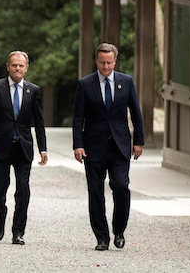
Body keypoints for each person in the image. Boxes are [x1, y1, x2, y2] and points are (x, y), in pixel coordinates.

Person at [73, 42, 144, 251]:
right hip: (93, 146)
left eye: (109, 62)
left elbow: (136, 112)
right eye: (102, 62)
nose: (106, 67)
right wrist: (78, 145)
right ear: (96, 61)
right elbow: (78, 118)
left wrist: (138, 141)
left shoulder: (126, 81)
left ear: (115, 61)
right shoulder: (85, 84)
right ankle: (101, 237)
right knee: (95, 192)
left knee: (121, 187)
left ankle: (119, 230)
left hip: (120, 145)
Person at [0, 50, 47, 245]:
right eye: (14, 65)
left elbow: (39, 122)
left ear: (26, 68)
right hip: (0, 146)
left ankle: (18, 231)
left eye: (21, 65)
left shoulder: (33, 90)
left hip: (23, 147)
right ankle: (1, 215)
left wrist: (43, 149)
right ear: (8, 67)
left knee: (23, 190)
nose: (17, 68)